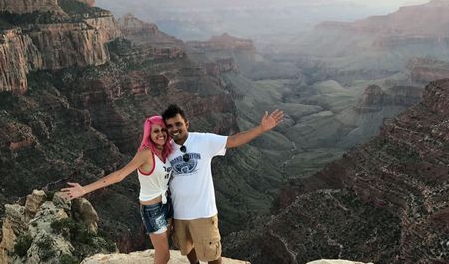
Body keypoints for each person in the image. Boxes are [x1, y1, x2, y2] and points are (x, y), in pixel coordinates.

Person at [162, 104, 284, 264]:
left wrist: (261, 128)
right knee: (187, 247)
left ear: (186, 123)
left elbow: (233, 140)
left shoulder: (203, 140)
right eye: (170, 126)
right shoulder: (165, 149)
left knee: (212, 254)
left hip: (203, 213)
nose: (174, 129)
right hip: (179, 214)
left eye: (178, 124)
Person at [60, 115, 174, 264]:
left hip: (167, 204)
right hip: (153, 210)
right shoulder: (146, 154)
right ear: (149, 134)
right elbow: (119, 175)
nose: (161, 134)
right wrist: (84, 190)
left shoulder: (167, 150)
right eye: (156, 131)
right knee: (163, 255)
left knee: (167, 248)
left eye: (163, 130)